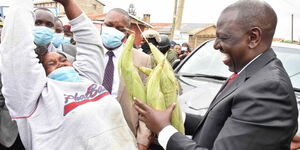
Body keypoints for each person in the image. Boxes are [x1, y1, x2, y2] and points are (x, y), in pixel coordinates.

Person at [134, 0, 298, 150]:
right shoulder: (250, 73)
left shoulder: (269, 89)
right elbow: (220, 123)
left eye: (223, 37)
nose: (215, 45)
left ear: (253, 37)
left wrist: (164, 130)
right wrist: (177, 116)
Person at [0, 0, 137, 149]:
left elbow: (91, 45)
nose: (60, 63)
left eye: (63, 59)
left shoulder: (86, 79)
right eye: (51, 64)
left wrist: (68, 3)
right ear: (40, 75)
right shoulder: (34, 97)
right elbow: (16, 49)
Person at [100, 8, 153, 150]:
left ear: (126, 32)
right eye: (109, 25)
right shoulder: (89, 55)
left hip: (125, 135)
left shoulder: (143, 60)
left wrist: (142, 141)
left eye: (120, 28)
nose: (113, 30)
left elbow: (146, 104)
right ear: (102, 25)